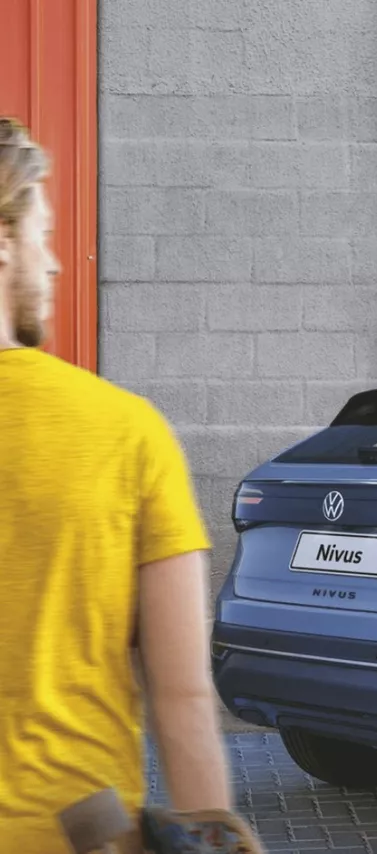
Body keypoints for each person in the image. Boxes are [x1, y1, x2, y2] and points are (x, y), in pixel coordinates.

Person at [0, 117, 241, 850]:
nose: (55, 264)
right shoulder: (125, 434)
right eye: (41, 234)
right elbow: (182, 697)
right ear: (3, 241)